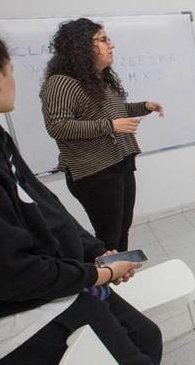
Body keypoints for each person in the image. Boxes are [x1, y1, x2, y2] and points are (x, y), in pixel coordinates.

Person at [0, 17, 177, 365]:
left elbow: (44, 207)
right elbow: (5, 274)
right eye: (102, 39)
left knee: (144, 334)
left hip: (55, 275)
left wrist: (94, 255)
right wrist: (95, 273)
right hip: (19, 311)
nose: (110, 45)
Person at [41, 18, 164, 252]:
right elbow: (57, 126)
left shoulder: (98, 80)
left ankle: (122, 276)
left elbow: (116, 113)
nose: (112, 45)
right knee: (108, 237)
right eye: (104, 39)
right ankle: (104, 285)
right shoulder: (61, 83)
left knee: (122, 229)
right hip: (94, 171)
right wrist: (110, 126)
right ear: (81, 46)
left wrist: (144, 106)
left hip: (120, 162)